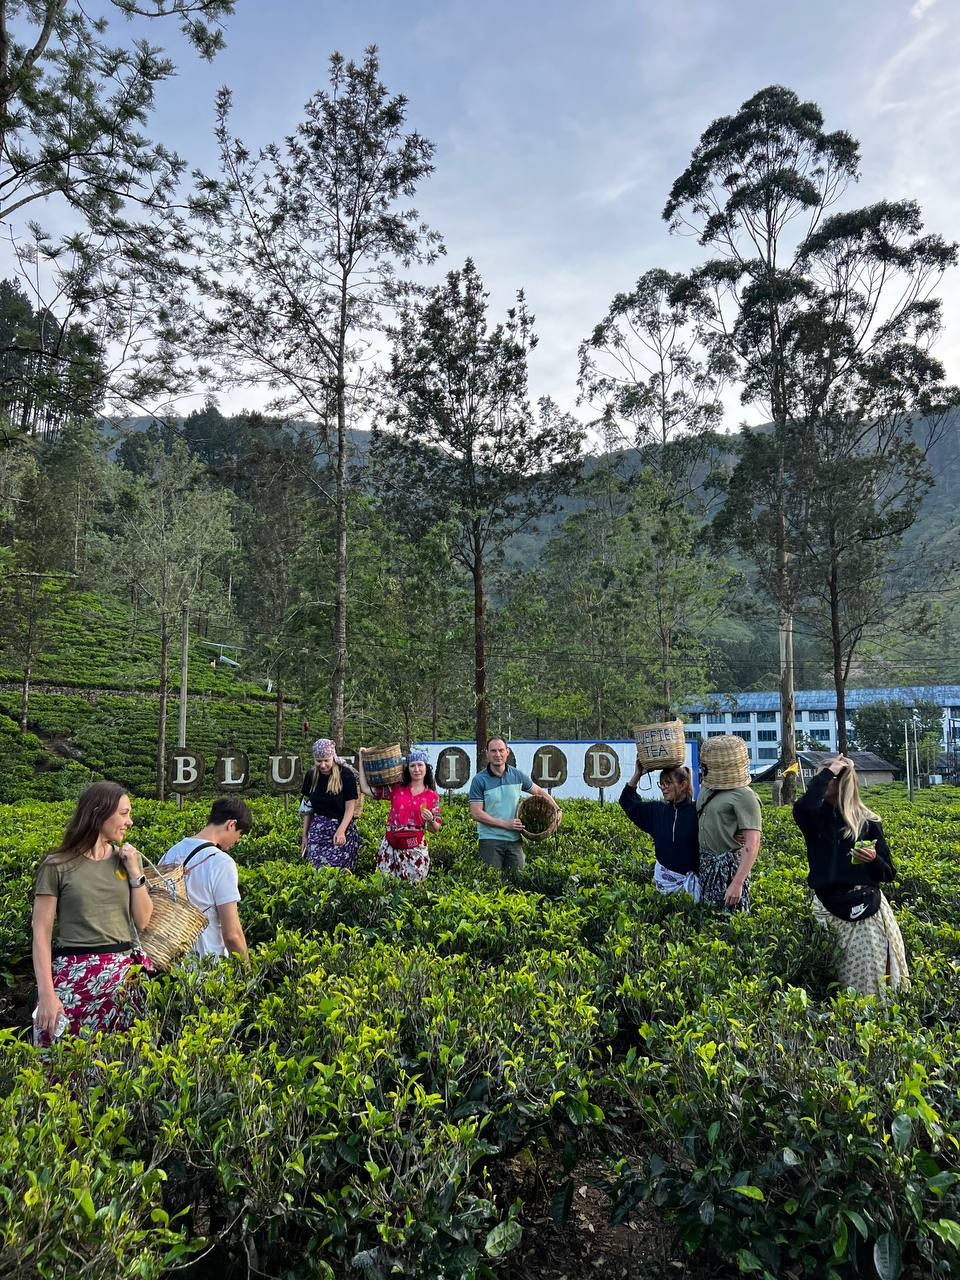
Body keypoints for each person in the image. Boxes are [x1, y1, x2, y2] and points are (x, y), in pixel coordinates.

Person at [31, 781, 154, 1046]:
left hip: (122, 981)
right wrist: (47, 994)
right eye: (124, 813)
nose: (130, 822)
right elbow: (41, 932)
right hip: (72, 979)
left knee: (120, 1063)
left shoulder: (127, 860)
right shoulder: (57, 865)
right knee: (57, 1060)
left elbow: (143, 921)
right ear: (99, 812)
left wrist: (135, 872)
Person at [793, 754, 909, 997]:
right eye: (820, 777)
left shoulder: (867, 822)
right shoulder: (815, 818)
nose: (821, 782)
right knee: (827, 986)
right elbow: (803, 806)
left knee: (866, 987)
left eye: (828, 778)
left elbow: (888, 872)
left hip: (863, 911)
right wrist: (829, 771)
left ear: (842, 783)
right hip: (826, 907)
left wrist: (873, 860)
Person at [158, 797, 253, 961]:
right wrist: (247, 969)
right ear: (231, 824)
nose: (237, 841)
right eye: (240, 834)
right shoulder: (221, 863)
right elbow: (232, 935)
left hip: (170, 963)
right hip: (206, 967)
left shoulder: (170, 853)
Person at [468, 736, 562, 872]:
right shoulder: (479, 780)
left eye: (501, 750)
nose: (497, 754)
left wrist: (557, 809)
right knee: (492, 881)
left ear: (507, 752)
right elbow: (476, 813)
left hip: (514, 839)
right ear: (487, 753)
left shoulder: (517, 775)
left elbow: (538, 791)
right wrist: (505, 824)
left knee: (518, 878)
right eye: (493, 751)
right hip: (490, 840)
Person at [696, 735, 762, 913]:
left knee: (730, 920)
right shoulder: (706, 788)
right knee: (706, 919)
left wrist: (737, 883)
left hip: (728, 869)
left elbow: (753, 843)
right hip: (705, 864)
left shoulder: (745, 796)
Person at [357, 747, 442, 881]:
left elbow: (435, 829)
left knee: (413, 887)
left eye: (420, 765)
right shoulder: (396, 788)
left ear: (426, 767)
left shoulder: (432, 796)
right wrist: (361, 760)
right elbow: (365, 789)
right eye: (412, 766)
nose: (417, 769)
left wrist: (431, 820)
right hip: (391, 844)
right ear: (407, 769)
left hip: (415, 847)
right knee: (385, 885)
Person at [619, 761, 699, 898]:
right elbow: (627, 801)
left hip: (692, 888)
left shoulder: (697, 811)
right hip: (663, 888)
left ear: (683, 784)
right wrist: (638, 774)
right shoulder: (657, 811)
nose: (663, 787)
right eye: (661, 784)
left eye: (668, 783)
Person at [300, 737, 361, 870]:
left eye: (326, 760)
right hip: (318, 832)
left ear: (333, 757)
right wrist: (305, 836)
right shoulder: (311, 775)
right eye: (319, 761)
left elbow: (350, 807)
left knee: (338, 872)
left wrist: (341, 831)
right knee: (317, 872)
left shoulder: (346, 775)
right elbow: (307, 809)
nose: (322, 765)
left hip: (341, 829)